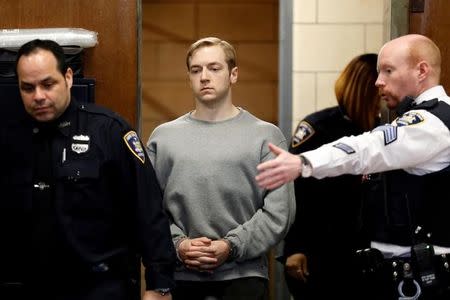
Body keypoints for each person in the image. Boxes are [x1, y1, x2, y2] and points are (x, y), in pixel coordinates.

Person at [256, 34, 450, 299]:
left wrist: (305, 161)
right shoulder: (428, 117)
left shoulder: (431, 123)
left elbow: (369, 148)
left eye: (388, 71)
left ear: (421, 70)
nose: (378, 81)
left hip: (420, 278)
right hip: (392, 270)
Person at [0, 39, 176, 300]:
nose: (38, 96)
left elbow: (147, 211)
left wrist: (159, 285)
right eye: (28, 87)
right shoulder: (9, 137)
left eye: (48, 84)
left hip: (101, 286)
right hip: (30, 285)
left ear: (68, 77)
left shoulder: (108, 131)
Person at [146, 37, 295, 300]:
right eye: (196, 70)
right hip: (180, 276)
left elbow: (279, 212)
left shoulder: (266, 136)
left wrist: (231, 245)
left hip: (244, 276)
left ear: (233, 74)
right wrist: (179, 245)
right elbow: (148, 209)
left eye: (214, 68)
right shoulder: (163, 138)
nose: (204, 77)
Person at [282, 53, 381, 300]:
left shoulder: (382, 131)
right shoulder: (319, 128)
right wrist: (295, 248)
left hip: (365, 250)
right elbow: (297, 193)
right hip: (321, 250)